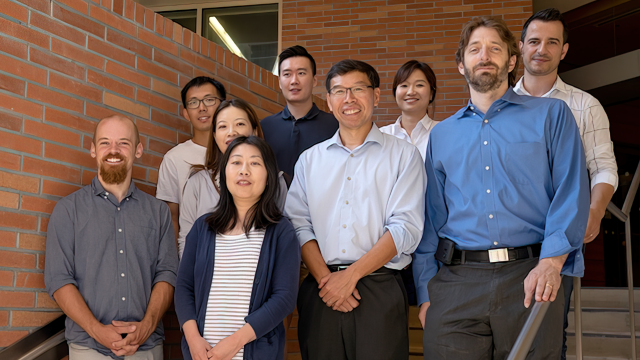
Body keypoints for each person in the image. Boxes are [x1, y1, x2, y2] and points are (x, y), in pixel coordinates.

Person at [413, 16, 590, 359]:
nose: (484, 56)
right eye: (474, 49)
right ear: (461, 64)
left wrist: (552, 264)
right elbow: (433, 218)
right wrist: (425, 292)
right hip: (456, 283)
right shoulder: (442, 134)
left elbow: (571, 192)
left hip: (531, 276)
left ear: (512, 60)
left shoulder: (552, 115)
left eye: (495, 48)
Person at [285, 59, 426, 360]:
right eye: (338, 91)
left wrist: (350, 277)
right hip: (321, 289)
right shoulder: (310, 161)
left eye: (358, 89)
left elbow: (405, 228)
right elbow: (297, 224)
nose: (348, 99)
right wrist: (328, 280)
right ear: (330, 100)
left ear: (375, 96)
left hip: (380, 289)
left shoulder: (404, 155)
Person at [514, 10, 618, 358]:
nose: (541, 49)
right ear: (520, 47)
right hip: (502, 241)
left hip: (557, 240)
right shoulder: (498, 105)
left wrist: (595, 209)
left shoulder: (585, 106)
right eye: (534, 41)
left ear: (564, 50)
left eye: (551, 42)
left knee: (546, 335)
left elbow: (603, 168)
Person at [45, 115, 179, 359]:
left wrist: (146, 327)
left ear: (138, 150)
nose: (114, 150)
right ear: (93, 149)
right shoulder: (68, 210)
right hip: (88, 347)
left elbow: (167, 274)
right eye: (105, 143)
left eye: (124, 143)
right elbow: (58, 278)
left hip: (146, 348)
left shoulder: (158, 212)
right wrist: (97, 330)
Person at [175, 136, 300, 360]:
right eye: (236, 162)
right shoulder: (203, 228)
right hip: (202, 354)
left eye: (254, 163)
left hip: (253, 352)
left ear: (269, 176)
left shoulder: (281, 231)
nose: (244, 171)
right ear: (224, 173)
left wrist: (235, 342)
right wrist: (193, 339)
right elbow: (184, 288)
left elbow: (285, 297)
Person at [178, 99, 287, 258]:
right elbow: (186, 241)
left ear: (255, 131)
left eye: (240, 124)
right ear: (214, 135)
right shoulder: (197, 183)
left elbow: (283, 241)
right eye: (223, 126)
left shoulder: (276, 181)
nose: (231, 132)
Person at [156, 76, 226, 245]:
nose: (202, 108)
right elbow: (171, 218)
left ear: (223, 105)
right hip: (195, 255)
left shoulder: (240, 152)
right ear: (186, 113)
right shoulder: (174, 158)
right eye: (193, 102)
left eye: (209, 100)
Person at [261, 45, 339, 178]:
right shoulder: (264, 127)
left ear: (314, 80)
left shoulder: (335, 126)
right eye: (287, 74)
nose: (294, 81)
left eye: (301, 73)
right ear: (279, 82)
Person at [380, 60, 439, 161]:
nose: (411, 92)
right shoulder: (381, 136)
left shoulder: (444, 132)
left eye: (419, 85)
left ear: (431, 93)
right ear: (395, 93)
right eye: (404, 85)